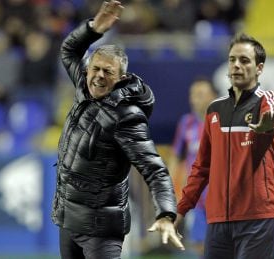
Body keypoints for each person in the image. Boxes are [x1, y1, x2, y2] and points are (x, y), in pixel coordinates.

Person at [51, 1, 184, 258]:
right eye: (95, 69)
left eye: (108, 72)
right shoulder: (84, 86)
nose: (99, 76)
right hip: (69, 219)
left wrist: (166, 212)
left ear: (121, 78)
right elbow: (69, 50)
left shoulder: (126, 117)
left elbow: (154, 168)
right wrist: (92, 29)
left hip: (101, 228)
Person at [175, 32, 274, 259]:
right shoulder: (214, 110)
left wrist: (266, 128)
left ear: (259, 68)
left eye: (244, 61)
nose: (237, 65)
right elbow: (201, 168)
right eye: (232, 59)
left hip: (257, 219)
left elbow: (272, 118)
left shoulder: (268, 101)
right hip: (217, 221)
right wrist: (180, 210)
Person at [170, 78, 217, 258]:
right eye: (192, 94)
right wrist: (170, 188)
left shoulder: (222, 121)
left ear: (213, 96)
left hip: (220, 197)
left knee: (221, 243)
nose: (194, 98)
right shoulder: (186, 123)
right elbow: (176, 157)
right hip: (196, 198)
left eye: (200, 94)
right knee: (199, 244)